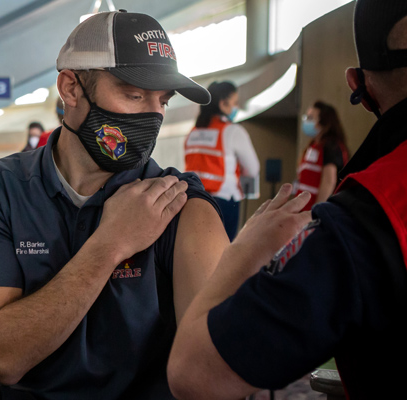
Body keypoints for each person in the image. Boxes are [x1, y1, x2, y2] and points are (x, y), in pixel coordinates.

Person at [0, 10, 228, 399]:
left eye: (163, 101)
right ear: (71, 89)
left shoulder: (181, 203)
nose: (153, 115)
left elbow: (212, 380)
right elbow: (4, 358)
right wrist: (110, 244)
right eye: (134, 95)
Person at [167, 0, 407, 398]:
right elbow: (250, 168)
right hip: (227, 202)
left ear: (358, 85)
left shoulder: (363, 221)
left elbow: (193, 373)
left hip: (200, 204)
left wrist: (243, 251)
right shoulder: (236, 134)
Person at [184, 81, 260, 240]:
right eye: (235, 102)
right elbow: (253, 168)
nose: (237, 107)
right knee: (222, 249)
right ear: (223, 103)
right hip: (224, 201)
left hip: (192, 198)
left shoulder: (193, 132)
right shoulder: (233, 131)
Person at [296, 101, 349, 210]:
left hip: (316, 212)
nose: (306, 121)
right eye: (306, 117)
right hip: (304, 209)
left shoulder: (331, 146)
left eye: (311, 118)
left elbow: (329, 181)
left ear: (324, 123)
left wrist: (316, 211)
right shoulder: (312, 146)